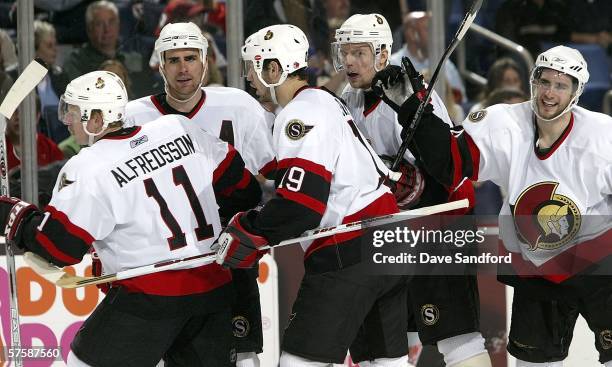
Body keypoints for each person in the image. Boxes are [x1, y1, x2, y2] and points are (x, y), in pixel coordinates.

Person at [0, 70, 262, 366]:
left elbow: (59, 248)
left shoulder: (89, 166)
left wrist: (10, 213)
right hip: (214, 289)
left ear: (95, 118)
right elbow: (245, 190)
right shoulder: (179, 127)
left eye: (72, 112)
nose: (66, 121)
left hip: (149, 298)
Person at [395, 45, 612, 366]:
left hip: (599, 266)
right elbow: (451, 164)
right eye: (544, 81)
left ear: (576, 92)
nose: (549, 93)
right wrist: (416, 109)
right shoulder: (503, 123)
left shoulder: (603, 136)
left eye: (561, 85)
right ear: (532, 82)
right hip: (538, 271)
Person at [216, 23, 411, 367]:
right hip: (389, 241)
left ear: (273, 69)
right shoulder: (324, 101)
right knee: (384, 363)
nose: (248, 77)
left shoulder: (299, 114)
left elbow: (301, 204)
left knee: (299, 362)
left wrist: (248, 229)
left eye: (252, 67)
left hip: (350, 249)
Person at [334, 13, 492, 367]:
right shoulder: (348, 98)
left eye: (359, 52)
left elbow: (446, 170)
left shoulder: (413, 93)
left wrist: (409, 181)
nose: (348, 61)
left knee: (457, 339)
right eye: (344, 52)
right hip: (388, 235)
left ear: (381, 54)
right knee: (384, 345)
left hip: (438, 227)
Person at [124, 22, 276, 367]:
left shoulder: (239, 105)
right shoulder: (133, 116)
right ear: (159, 65)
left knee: (244, 351)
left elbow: (276, 169)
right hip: (164, 255)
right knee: (174, 355)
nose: (183, 68)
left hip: (229, 247)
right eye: (173, 59)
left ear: (205, 61)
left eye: (190, 58)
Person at [390, 11, 466, 104]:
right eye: (428, 29)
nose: (435, 36)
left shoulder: (443, 61)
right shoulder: (394, 64)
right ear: (412, 34)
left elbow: (461, 100)